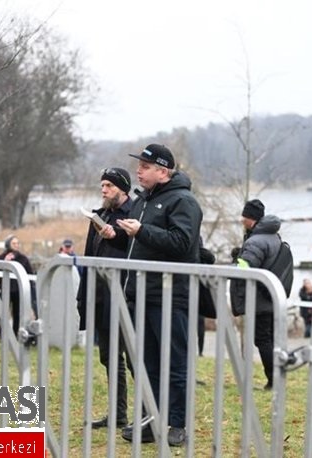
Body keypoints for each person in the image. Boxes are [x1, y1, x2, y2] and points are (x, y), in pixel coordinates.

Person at [116, 144, 202, 447]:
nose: (138, 171)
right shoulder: (142, 200)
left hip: (170, 296)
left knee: (176, 363)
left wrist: (141, 232)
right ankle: (150, 420)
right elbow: (140, 244)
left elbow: (181, 243)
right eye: (139, 165)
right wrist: (116, 236)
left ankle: (177, 424)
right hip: (141, 294)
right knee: (147, 364)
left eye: (145, 166)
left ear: (163, 172)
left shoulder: (184, 201)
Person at [75, 167, 133, 430]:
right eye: (102, 186)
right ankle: (118, 413)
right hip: (101, 296)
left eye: (109, 186)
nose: (104, 190)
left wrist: (117, 235)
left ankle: (148, 415)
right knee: (109, 357)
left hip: (124, 295)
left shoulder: (134, 214)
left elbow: (136, 250)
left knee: (134, 359)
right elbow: (89, 256)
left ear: (123, 188)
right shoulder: (99, 216)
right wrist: (84, 294)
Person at [229, 198, 286, 390]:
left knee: (262, 339)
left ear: (251, 218)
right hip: (272, 295)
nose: (241, 219)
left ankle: (273, 380)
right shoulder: (273, 236)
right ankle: (277, 377)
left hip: (260, 299)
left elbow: (244, 268)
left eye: (244, 216)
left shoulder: (256, 241)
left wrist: (235, 261)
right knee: (271, 338)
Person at [0, 234, 37, 346]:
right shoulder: (1, 257)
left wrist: (31, 288)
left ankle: (15, 336)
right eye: (13, 243)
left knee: (17, 314)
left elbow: (29, 274)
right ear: (8, 244)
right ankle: (3, 336)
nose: (16, 245)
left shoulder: (23, 259)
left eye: (17, 243)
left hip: (19, 290)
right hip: (5, 289)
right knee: (3, 313)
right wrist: (5, 262)